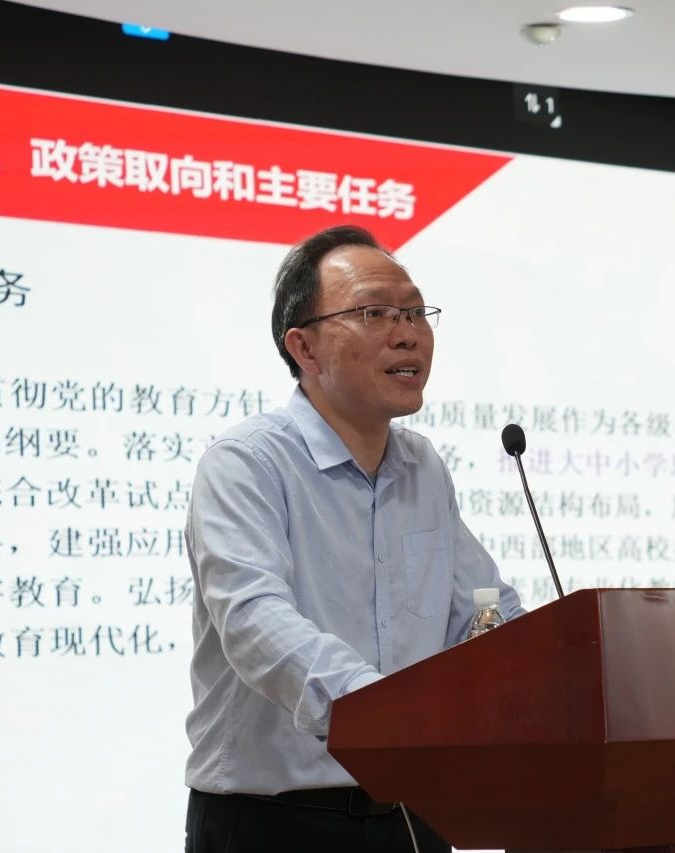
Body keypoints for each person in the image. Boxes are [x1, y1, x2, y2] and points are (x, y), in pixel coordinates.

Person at [183, 225, 524, 853]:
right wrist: (384, 716)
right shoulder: (247, 462)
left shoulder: (423, 468)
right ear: (304, 348)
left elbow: (480, 606)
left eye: (415, 312)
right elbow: (255, 621)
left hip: (412, 816)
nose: (407, 333)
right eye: (374, 313)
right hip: (273, 823)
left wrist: (540, 662)